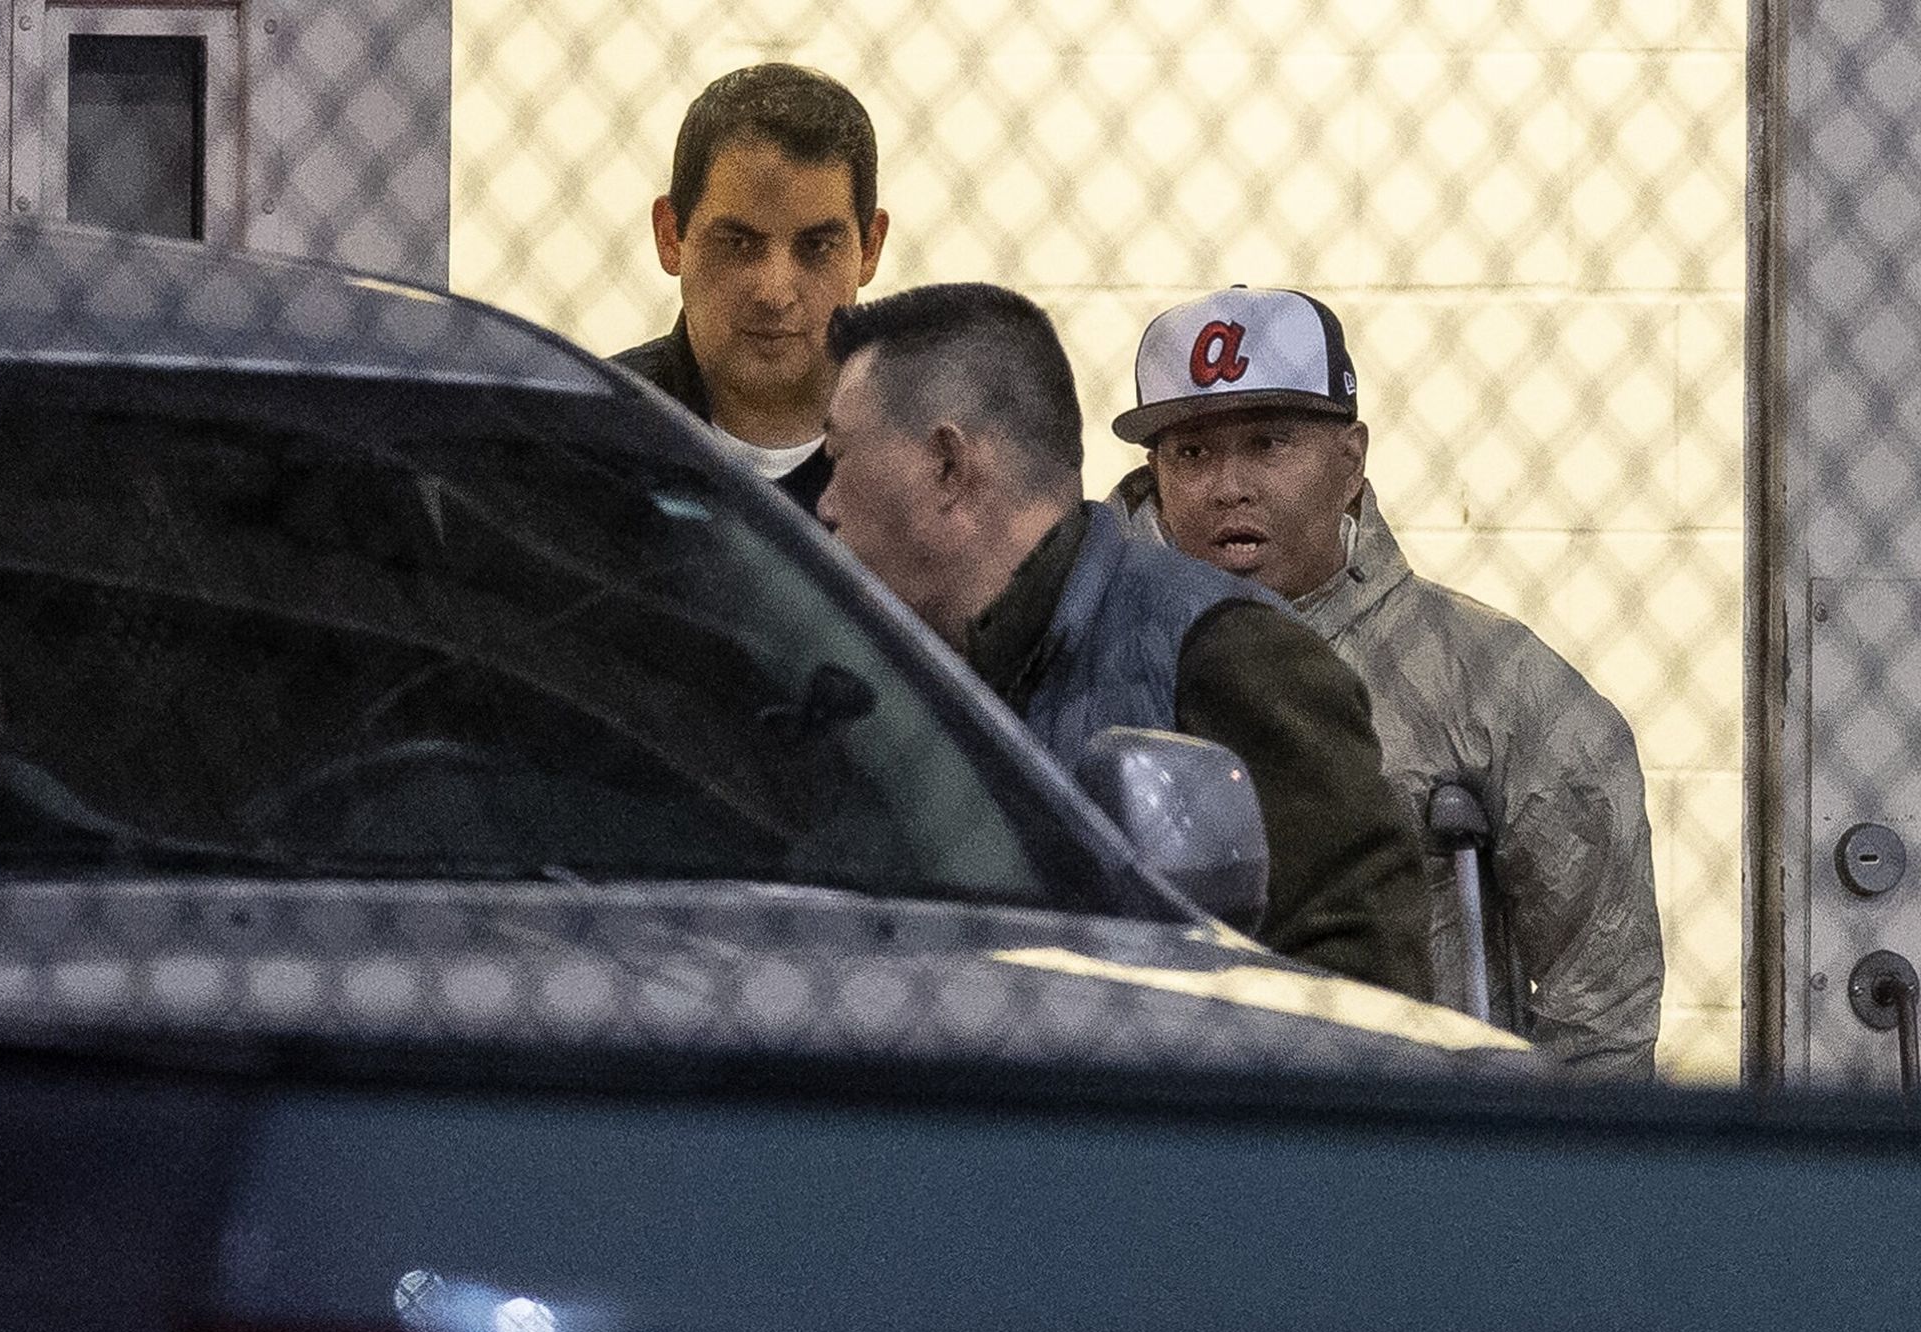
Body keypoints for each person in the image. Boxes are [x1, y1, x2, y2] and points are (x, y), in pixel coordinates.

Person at [1105, 284, 1665, 1078]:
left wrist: (1546, 1180)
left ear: (1351, 460)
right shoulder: (1081, 651)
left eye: (1269, 443)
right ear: (1154, 470)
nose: (1228, 485)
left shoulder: (1495, 684)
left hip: (1406, 1142)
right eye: (1192, 453)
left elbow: (1600, 1010)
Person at [817, 281, 1432, 1000]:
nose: (825, 504)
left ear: (949, 465)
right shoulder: (881, 680)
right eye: (1193, 452)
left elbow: (1365, 998)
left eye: (840, 456)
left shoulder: (1227, 652)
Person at [612, 63, 889, 512]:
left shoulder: (940, 464)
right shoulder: (581, 445)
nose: (775, 294)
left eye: (817, 246)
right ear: (670, 236)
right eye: (738, 243)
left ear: (870, 248)